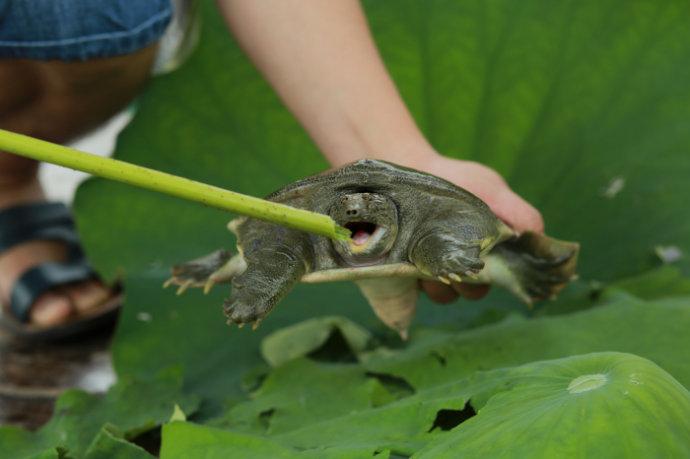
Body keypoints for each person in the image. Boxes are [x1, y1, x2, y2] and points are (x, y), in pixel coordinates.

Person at [0, 0, 543, 336]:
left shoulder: (398, 214)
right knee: (270, 254)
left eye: (366, 204)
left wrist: (405, 157)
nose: (354, 208)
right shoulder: (307, 234)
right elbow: (272, 254)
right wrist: (253, 285)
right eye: (350, 204)